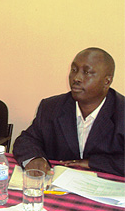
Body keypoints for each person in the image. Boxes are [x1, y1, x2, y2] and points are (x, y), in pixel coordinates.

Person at [13, 47, 125, 176]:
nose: (76, 78)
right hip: (59, 189)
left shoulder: (121, 112)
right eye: (74, 70)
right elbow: (27, 139)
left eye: (87, 72)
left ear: (107, 81)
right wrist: (34, 158)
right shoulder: (51, 107)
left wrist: (92, 163)